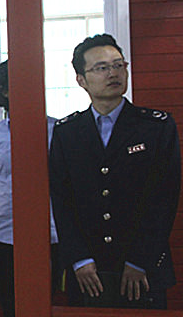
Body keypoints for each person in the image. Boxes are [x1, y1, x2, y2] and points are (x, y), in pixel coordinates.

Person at [49, 34, 180, 309]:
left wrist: (140, 260)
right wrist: (79, 259)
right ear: (81, 80)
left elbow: (164, 199)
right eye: (101, 68)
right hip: (88, 272)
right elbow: (62, 200)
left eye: (119, 65)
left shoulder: (156, 127)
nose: (113, 73)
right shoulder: (67, 132)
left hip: (143, 269)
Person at [0, 60, 59, 317]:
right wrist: (3, 211)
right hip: (2, 235)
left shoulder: (59, 131)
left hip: (52, 235)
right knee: (11, 305)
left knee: (46, 303)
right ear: (4, 92)